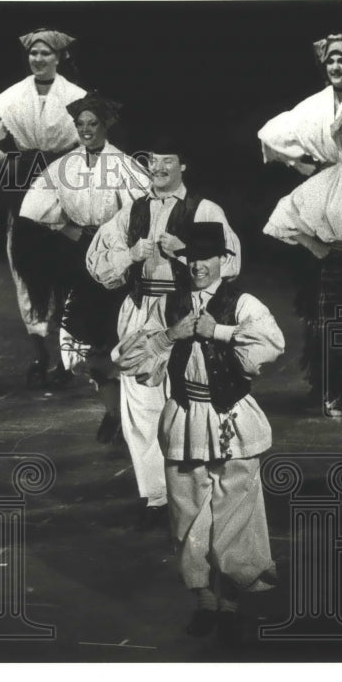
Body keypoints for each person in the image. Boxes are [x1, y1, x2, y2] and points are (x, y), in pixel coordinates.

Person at [115, 222, 284, 647]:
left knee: (235, 516)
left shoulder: (241, 301)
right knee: (188, 514)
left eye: (207, 258)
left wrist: (218, 331)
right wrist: (173, 335)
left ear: (224, 261)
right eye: (190, 258)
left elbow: (270, 345)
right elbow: (127, 357)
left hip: (231, 418)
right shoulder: (169, 305)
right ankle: (205, 600)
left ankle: (230, 604)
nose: (198, 266)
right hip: (185, 417)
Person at [87, 135, 242, 529]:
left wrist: (186, 249)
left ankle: (191, 490)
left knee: (186, 399)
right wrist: (129, 255)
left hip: (184, 308)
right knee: (140, 402)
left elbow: (232, 261)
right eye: (153, 159)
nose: (157, 167)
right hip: (140, 309)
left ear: (182, 165)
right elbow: (96, 259)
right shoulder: (134, 210)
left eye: (167, 160)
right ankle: (156, 496)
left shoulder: (203, 209)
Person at [18, 93, 151, 441]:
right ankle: (113, 411)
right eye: (80, 125)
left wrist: (112, 239)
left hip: (116, 259)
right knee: (82, 346)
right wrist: (70, 230)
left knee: (119, 342)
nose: (86, 130)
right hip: (80, 259)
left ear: (104, 125)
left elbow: (142, 214)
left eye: (93, 124)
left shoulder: (123, 164)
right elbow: (35, 209)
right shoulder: (65, 166)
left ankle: (130, 415)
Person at [0, 27, 87, 387]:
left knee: (66, 266)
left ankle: (67, 358)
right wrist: (5, 160)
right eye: (34, 53)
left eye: (46, 53)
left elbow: (94, 138)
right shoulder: (14, 96)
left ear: (61, 57)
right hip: (25, 181)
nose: (39, 59)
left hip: (65, 182)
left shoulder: (76, 96)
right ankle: (38, 349)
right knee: (27, 265)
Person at [264, 103, 342, 456]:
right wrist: (313, 244)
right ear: (337, 138)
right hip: (336, 276)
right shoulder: (324, 181)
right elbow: (282, 217)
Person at [258, 33, 342, 176]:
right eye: (330, 62)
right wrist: (307, 164)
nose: (335, 67)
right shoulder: (318, 101)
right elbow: (271, 133)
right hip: (326, 179)